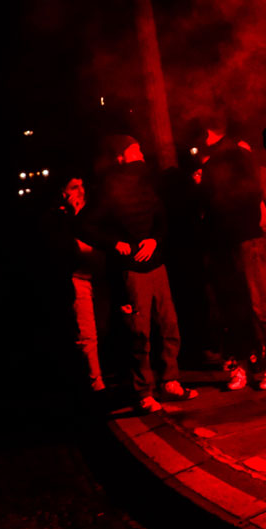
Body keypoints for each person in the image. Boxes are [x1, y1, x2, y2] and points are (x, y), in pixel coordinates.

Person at [83, 136, 195, 413]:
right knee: (139, 333)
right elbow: (83, 224)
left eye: (140, 149)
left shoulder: (146, 182)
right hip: (132, 272)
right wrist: (114, 243)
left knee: (169, 325)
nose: (141, 154)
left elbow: (161, 218)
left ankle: (170, 381)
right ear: (120, 157)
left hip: (157, 265)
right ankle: (143, 391)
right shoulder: (109, 187)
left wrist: (155, 239)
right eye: (135, 151)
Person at [197, 119, 266, 392]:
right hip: (229, 243)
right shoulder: (215, 163)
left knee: (262, 302)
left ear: (208, 133)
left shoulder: (236, 158)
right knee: (238, 306)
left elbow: (250, 195)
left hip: (250, 239)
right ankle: (245, 363)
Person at [44, 176, 105, 397]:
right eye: (74, 187)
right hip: (78, 278)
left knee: (104, 327)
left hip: (99, 276)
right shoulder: (58, 218)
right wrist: (74, 214)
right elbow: (61, 247)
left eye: (82, 186)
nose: (80, 191)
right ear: (63, 192)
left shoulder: (94, 211)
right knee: (87, 333)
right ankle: (95, 383)